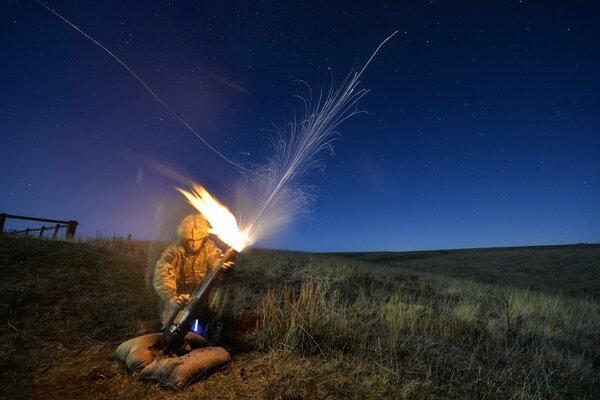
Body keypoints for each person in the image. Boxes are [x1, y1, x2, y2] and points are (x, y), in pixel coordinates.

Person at [153, 214, 234, 341]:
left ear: (204, 237)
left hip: (202, 292)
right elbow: (163, 274)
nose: (194, 244)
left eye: (198, 239)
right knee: (171, 327)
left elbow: (216, 260)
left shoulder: (209, 247)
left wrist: (221, 266)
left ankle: (213, 330)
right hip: (180, 295)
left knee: (218, 296)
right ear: (183, 238)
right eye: (190, 240)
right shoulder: (174, 251)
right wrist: (172, 298)